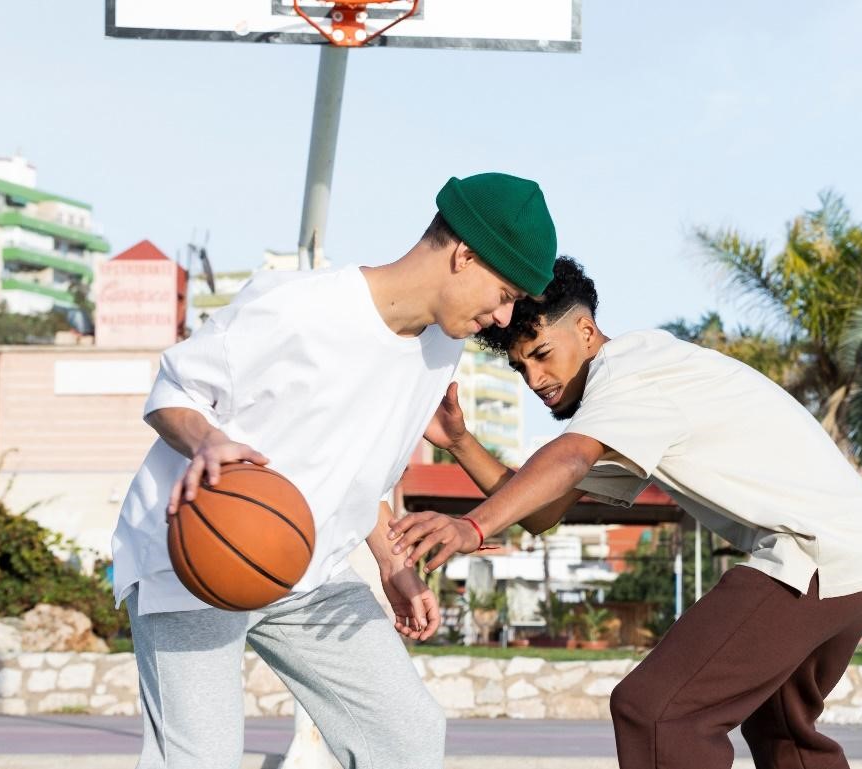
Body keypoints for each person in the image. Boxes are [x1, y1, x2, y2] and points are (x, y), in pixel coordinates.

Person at [390, 256, 862, 769]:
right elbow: (543, 511)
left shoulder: (628, 375)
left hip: (817, 553)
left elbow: (569, 457)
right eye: (522, 366)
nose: (534, 379)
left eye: (543, 354)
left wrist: (470, 525)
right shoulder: (630, 397)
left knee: (657, 713)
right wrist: (459, 441)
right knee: (780, 730)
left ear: (587, 330)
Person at [110, 172, 557, 769]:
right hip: (195, 554)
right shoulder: (299, 305)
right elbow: (173, 391)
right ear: (464, 254)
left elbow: (357, 471)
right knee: (201, 760)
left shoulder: (440, 349)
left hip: (310, 570)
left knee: (407, 735)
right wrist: (209, 442)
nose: (503, 318)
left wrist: (394, 564)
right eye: (503, 294)